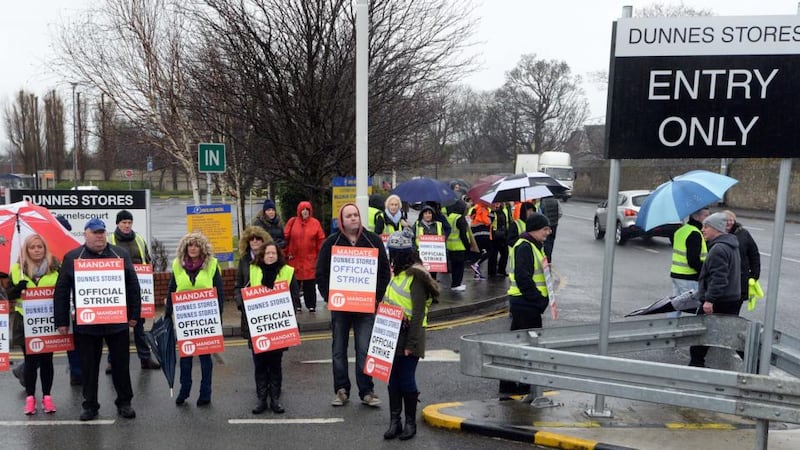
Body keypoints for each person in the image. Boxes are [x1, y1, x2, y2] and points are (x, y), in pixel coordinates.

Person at [54, 218, 141, 421]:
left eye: (102, 232)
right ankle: (90, 405)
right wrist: (61, 321)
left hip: (116, 323)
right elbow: (61, 290)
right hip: (87, 326)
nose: (99, 235)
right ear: (85, 235)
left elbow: (132, 286)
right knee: (89, 368)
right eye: (95, 232)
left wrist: (134, 315)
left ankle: (124, 402)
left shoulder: (121, 254)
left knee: (121, 366)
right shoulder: (73, 257)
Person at [316, 203, 391, 408]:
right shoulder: (332, 242)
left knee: (364, 349)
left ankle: (367, 391)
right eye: (348, 215)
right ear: (342, 220)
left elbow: (384, 272)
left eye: (356, 215)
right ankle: (341, 390)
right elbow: (321, 273)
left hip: (365, 307)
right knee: (338, 350)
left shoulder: (372, 240)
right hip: (340, 307)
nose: (353, 218)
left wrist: (376, 297)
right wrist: (328, 296)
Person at [382, 229, 439, 440]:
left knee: (406, 380)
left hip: (409, 336)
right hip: (392, 335)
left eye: (395, 253)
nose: (392, 257)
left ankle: (409, 423)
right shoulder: (396, 274)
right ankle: (394, 422)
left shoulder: (415, 277)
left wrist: (412, 344)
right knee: (392, 380)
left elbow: (417, 314)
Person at [235, 242, 300, 415]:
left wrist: (289, 317)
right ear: (262, 255)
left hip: (278, 327)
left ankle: (275, 399)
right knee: (260, 364)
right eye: (268, 253)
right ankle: (262, 399)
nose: (271, 256)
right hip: (258, 327)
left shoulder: (287, 271)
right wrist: (242, 303)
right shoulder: (253, 270)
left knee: (275, 364)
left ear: (278, 255)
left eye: (274, 253)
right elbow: (242, 290)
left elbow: (294, 298)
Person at [166, 232, 224, 407]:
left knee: (206, 358)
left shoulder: (212, 265)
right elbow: (172, 289)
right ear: (185, 247)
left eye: (196, 245)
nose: (192, 248)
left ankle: (205, 393)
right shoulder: (177, 264)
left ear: (202, 248)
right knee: (185, 358)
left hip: (206, 318)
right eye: (189, 245)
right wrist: (168, 313)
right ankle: (185, 390)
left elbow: (219, 292)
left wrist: (218, 318)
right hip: (185, 319)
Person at [6, 235, 61, 415]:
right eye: (32, 247)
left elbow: (63, 292)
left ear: (45, 249)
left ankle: (47, 397)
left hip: (48, 321)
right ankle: (30, 399)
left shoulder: (55, 268)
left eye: (40, 247)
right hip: (25, 322)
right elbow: (8, 295)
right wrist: (16, 288)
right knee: (30, 362)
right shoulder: (17, 270)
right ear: (26, 250)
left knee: (46, 361)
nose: (37, 250)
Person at [500, 212, 552, 395]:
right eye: (545, 229)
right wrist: (539, 301)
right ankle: (519, 384)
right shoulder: (525, 247)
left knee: (518, 345)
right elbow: (524, 278)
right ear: (536, 229)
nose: (548, 232)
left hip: (525, 303)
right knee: (527, 347)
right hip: (526, 304)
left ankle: (512, 383)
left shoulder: (533, 245)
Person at [106, 210, 161, 373]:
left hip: (136, 290)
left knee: (139, 326)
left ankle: (145, 358)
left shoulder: (139, 238)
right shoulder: (110, 240)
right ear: (117, 224)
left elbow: (147, 260)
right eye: (123, 222)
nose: (127, 225)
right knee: (115, 328)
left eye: (129, 222)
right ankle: (112, 361)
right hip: (117, 290)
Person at [688, 212, 741, 368]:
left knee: (700, 332)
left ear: (716, 228)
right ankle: (757, 363)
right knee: (731, 333)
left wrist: (709, 300)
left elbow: (719, 279)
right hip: (730, 298)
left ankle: (696, 364)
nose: (703, 229)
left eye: (706, 226)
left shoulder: (718, 249)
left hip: (719, 300)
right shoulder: (730, 245)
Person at [284, 201, 326, 313]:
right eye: (303, 209)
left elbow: (320, 241)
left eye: (307, 209)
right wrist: (285, 253)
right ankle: (296, 305)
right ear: (299, 211)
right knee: (294, 284)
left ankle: (311, 305)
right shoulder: (292, 222)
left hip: (310, 259)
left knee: (310, 284)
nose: (305, 211)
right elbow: (285, 238)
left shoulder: (315, 223)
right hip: (294, 259)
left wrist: (320, 257)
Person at [669, 207, 709, 317]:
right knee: (690, 308)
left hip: (676, 274)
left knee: (675, 305)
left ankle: (670, 327)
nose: (708, 218)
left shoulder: (681, 230)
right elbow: (693, 261)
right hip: (688, 276)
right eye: (705, 215)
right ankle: (687, 331)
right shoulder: (694, 233)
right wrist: (706, 270)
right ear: (696, 217)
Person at [723, 210, 761, 313]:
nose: (729, 222)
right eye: (726, 220)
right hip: (723, 281)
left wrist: (754, 275)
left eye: (731, 220)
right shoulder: (716, 234)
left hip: (740, 280)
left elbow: (754, 254)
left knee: (734, 311)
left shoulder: (743, 234)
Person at [445, 199, 471, 292]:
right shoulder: (460, 218)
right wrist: (468, 246)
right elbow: (463, 234)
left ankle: (454, 283)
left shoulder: (450, 216)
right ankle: (457, 284)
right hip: (459, 246)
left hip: (450, 246)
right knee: (459, 267)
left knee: (454, 266)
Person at [414, 204, 444, 283]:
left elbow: (443, 239)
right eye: (425, 213)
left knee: (432, 278)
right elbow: (412, 238)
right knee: (422, 276)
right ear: (422, 214)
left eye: (429, 213)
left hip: (434, 257)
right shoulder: (417, 225)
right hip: (420, 256)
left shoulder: (438, 225)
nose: (428, 215)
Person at [488, 202, 511, 277]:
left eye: (498, 203)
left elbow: (507, 222)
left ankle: (501, 270)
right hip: (494, 236)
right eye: (495, 203)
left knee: (505, 254)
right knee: (493, 255)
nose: (497, 205)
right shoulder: (492, 212)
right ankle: (492, 272)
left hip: (503, 236)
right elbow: (489, 222)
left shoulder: (504, 211)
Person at [538, 197, 562, 263]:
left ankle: (547, 259)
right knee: (551, 242)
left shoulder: (542, 202)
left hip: (546, 225)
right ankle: (549, 258)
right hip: (554, 225)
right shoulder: (556, 201)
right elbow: (560, 213)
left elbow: (540, 213)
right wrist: (555, 220)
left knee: (546, 242)